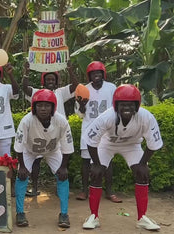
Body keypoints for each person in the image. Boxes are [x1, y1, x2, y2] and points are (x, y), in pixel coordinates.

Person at [82, 84, 162, 231]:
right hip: (107, 144)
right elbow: (91, 141)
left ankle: (142, 218)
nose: (126, 108)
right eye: (122, 104)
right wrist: (97, 164)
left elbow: (153, 143)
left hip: (132, 145)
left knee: (142, 174)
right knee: (96, 175)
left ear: (137, 106)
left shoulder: (146, 117)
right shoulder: (106, 117)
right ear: (115, 105)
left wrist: (143, 164)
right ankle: (93, 216)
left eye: (131, 104)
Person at [14, 89, 74, 228]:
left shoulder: (61, 121)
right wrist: (22, 166)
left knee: (63, 176)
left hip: (52, 150)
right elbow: (19, 145)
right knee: (21, 177)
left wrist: (63, 167)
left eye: (47, 105)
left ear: (53, 107)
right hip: (29, 151)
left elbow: (67, 145)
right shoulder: (27, 120)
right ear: (34, 107)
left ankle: (64, 213)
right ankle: (20, 212)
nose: (43, 108)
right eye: (39, 105)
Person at [22, 62, 78, 197]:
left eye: (53, 79)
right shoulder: (37, 93)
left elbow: (76, 86)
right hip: (39, 132)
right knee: (36, 161)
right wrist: (26, 72)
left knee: (61, 163)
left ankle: (60, 189)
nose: (50, 81)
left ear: (56, 81)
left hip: (57, 134)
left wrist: (70, 71)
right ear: (43, 81)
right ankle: (34, 187)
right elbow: (25, 88)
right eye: (48, 79)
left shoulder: (61, 92)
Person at [75, 61, 121, 203]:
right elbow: (80, 114)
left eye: (99, 72)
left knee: (108, 161)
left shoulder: (111, 87)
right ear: (89, 75)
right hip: (89, 129)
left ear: (103, 74)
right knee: (86, 162)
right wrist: (82, 106)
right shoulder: (83, 89)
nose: (97, 75)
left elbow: (117, 106)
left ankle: (109, 191)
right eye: (93, 73)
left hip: (107, 129)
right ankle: (84, 191)